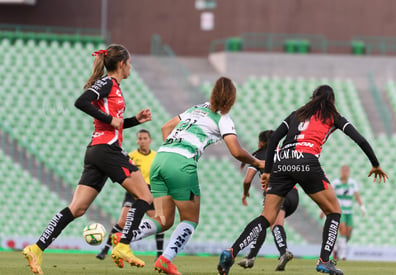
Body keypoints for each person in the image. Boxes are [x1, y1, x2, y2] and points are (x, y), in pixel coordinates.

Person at [217, 84, 388, 275]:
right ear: (331, 100)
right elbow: (360, 139)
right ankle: (324, 261)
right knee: (334, 211)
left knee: (267, 216)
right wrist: (375, 163)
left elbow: (273, 140)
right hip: (306, 160)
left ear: (312, 97)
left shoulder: (295, 114)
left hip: (282, 161)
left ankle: (231, 252)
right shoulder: (333, 116)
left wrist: (268, 171)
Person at [110, 76, 264, 275]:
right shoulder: (224, 119)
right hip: (181, 163)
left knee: (163, 220)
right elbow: (236, 151)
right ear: (231, 100)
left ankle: (125, 237)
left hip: (161, 158)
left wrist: (171, 150)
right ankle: (165, 260)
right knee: (190, 219)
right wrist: (257, 162)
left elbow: (165, 127)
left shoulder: (197, 108)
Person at [22, 44, 153, 274]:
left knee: (77, 208)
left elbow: (113, 123)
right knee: (144, 196)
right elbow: (81, 102)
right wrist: (109, 118)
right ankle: (123, 245)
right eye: (129, 63)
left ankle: (37, 248)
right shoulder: (108, 83)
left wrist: (134, 120)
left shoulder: (114, 87)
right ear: (121, 64)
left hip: (97, 150)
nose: (131, 67)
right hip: (107, 150)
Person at [96, 129, 165, 260]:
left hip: (151, 191)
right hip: (133, 191)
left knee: (159, 222)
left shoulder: (156, 157)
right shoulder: (131, 156)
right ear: (137, 141)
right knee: (122, 221)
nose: (142, 141)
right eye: (140, 138)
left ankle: (159, 254)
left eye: (145, 138)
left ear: (150, 140)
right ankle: (105, 250)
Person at [237, 130, 299, 271]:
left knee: (269, 223)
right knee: (263, 222)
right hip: (294, 195)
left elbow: (247, 180)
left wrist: (245, 193)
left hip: (276, 193)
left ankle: (283, 252)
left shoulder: (259, 155)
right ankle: (250, 257)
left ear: (262, 142)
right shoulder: (285, 153)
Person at [330, 165, 366, 261]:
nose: (345, 172)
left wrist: (362, 207)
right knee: (342, 230)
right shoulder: (335, 183)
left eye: (346, 170)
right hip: (339, 210)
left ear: (349, 172)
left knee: (348, 233)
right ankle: (342, 255)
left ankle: (336, 247)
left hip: (349, 211)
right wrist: (323, 210)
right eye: (343, 170)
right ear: (341, 171)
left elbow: (357, 196)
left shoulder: (352, 183)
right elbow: (330, 196)